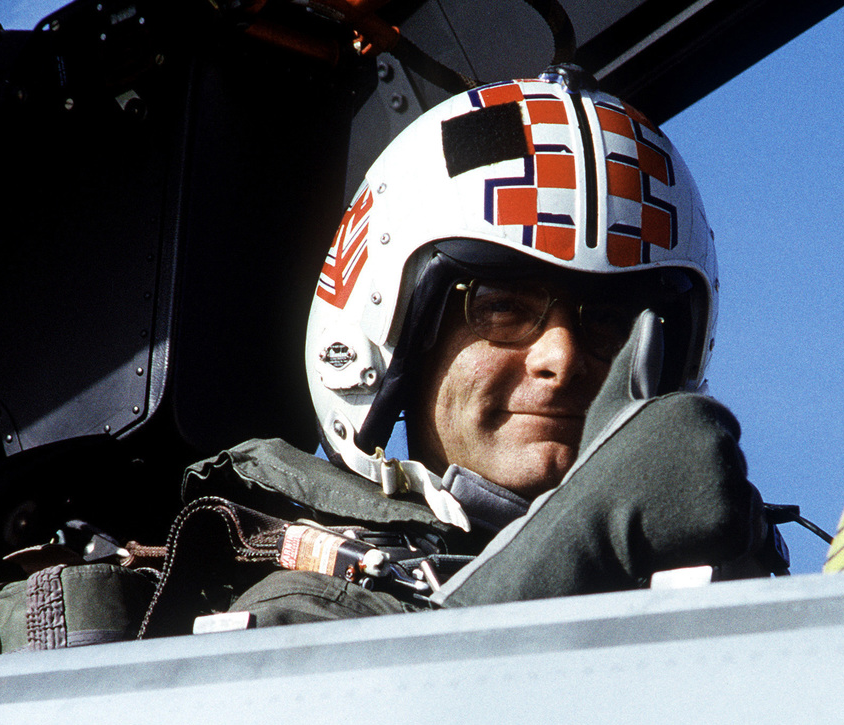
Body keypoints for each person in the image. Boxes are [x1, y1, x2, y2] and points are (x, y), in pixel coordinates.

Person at [176, 68, 783, 627]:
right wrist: (582, 535)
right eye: (501, 308)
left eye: (608, 320)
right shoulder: (306, 616)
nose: (561, 358)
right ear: (397, 343)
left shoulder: (726, 609)